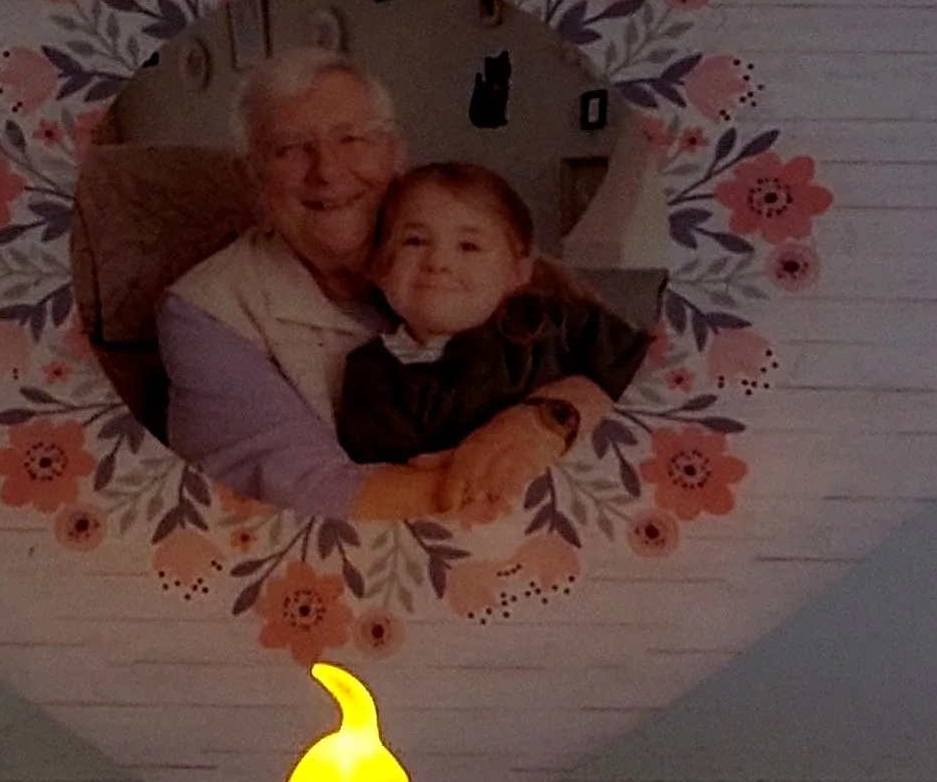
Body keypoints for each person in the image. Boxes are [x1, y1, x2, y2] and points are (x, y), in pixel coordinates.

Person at [156, 51, 609, 521]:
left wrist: (548, 419)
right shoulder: (210, 311)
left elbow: (620, 365)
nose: (328, 170)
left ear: (396, 154)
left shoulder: (484, 250)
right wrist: (519, 476)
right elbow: (307, 496)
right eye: (290, 148)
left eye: (353, 138)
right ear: (249, 176)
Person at [334, 164, 649, 517]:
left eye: (468, 246)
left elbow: (654, 380)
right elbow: (395, 479)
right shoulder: (372, 374)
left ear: (517, 272)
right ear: (379, 266)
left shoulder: (560, 325)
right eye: (415, 241)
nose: (438, 262)